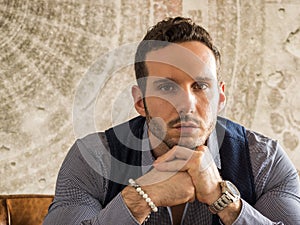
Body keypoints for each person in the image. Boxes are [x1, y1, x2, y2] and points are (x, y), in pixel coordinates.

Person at [43, 17, 300, 225]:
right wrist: (141, 198)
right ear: (141, 101)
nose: (187, 103)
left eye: (200, 86)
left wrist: (226, 202)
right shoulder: (93, 157)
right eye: (166, 88)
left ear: (220, 96)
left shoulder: (263, 161)